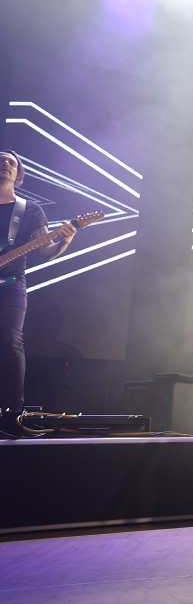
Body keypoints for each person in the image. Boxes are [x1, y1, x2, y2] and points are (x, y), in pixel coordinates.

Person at [0, 150, 78, 412]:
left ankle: (13, 412)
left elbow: (46, 251)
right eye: (0, 160)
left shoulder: (29, 210)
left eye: (11, 162)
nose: (6, 163)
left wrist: (65, 238)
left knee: (10, 341)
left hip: (10, 285)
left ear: (18, 173)